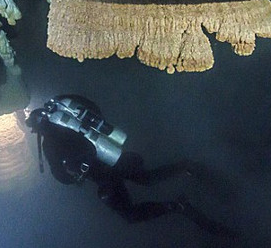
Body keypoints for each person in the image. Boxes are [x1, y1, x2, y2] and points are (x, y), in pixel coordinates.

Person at [26, 94, 231, 236]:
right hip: (115, 156)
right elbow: (94, 110)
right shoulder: (69, 114)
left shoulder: (50, 144)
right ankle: (186, 167)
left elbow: (61, 177)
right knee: (147, 179)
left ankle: (176, 206)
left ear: (38, 129)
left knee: (130, 214)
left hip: (104, 179)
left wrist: (74, 175)